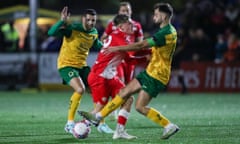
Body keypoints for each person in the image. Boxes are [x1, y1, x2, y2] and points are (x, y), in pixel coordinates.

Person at [79, 3, 180, 140]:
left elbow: (141, 45)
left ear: (164, 15)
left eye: (156, 14)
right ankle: (99, 118)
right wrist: (143, 55)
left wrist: (118, 49)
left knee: (140, 107)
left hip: (157, 74)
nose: (154, 16)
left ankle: (168, 125)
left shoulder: (166, 32)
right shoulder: (166, 31)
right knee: (125, 93)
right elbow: (138, 50)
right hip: (149, 71)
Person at [48, 6, 103, 134]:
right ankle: (69, 123)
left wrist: (109, 47)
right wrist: (62, 21)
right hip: (66, 65)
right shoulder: (72, 29)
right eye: (88, 20)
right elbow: (51, 33)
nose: (90, 23)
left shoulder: (94, 32)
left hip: (82, 67)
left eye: (93, 20)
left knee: (97, 91)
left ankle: (98, 122)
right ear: (83, 19)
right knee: (80, 89)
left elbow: (98, 45)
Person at [87, 14, 140, 139]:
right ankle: (80, 126)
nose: (132, 25)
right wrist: (151, 49)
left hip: (110, 77)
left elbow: (129, 58)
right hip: (99, 76)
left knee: (128, 98)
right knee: (100, 109)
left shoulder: (122, 37)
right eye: (129, 23)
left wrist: (147, 58)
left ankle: (119, 131)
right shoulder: (118, 36)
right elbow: (133, 50)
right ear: (121, 26)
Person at [100, 1, 150, 120]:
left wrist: (144, 51)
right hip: (119, 59)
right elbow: (103, 38)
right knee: (120, 84)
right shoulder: (112, 25)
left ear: (131, 11)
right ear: (119, 12)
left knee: (127, 87)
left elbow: (140, 43)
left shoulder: (136, 25)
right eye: (123, 11)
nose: (125, 12)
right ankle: (112, 109)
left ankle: (121, 110)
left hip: (130, 59)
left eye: (127, 10)